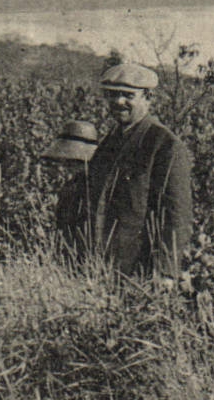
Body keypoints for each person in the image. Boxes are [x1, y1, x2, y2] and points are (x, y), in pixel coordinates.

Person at [83, 63, 194, 284]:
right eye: (112, 95)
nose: (118, 102)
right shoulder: (110, 142)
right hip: (103, 266)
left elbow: (177, 215)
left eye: (128, 96)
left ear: (148, 97)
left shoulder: (164, 144)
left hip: (141, 270)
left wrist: (166, 271)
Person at [41, 120, 98, 262]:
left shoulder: (95, 190)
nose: (63, 168)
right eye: (61, 162)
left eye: (72, 163)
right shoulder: (69, 188)